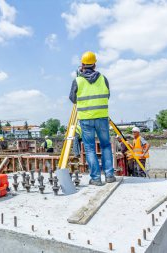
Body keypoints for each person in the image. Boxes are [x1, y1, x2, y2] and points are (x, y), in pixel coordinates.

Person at [69, 51, 115, 186]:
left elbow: (73, 99)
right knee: (106, 146)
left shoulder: (77, 80)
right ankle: (109, 175)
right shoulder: (103, 78)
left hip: (86, 119)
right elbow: (107, 95)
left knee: (89, 148)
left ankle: (95, 178)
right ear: (94, 64)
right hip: (101, 117)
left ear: (82, 64)